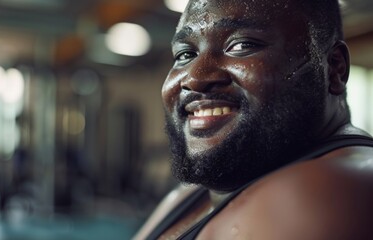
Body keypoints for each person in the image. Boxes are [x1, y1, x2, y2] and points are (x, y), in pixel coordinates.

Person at [134, 0, 373, 239]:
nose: (195, 78)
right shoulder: (195, 192)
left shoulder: (325, 191)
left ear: (334, 68)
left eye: (241, 45)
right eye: (186, 54)